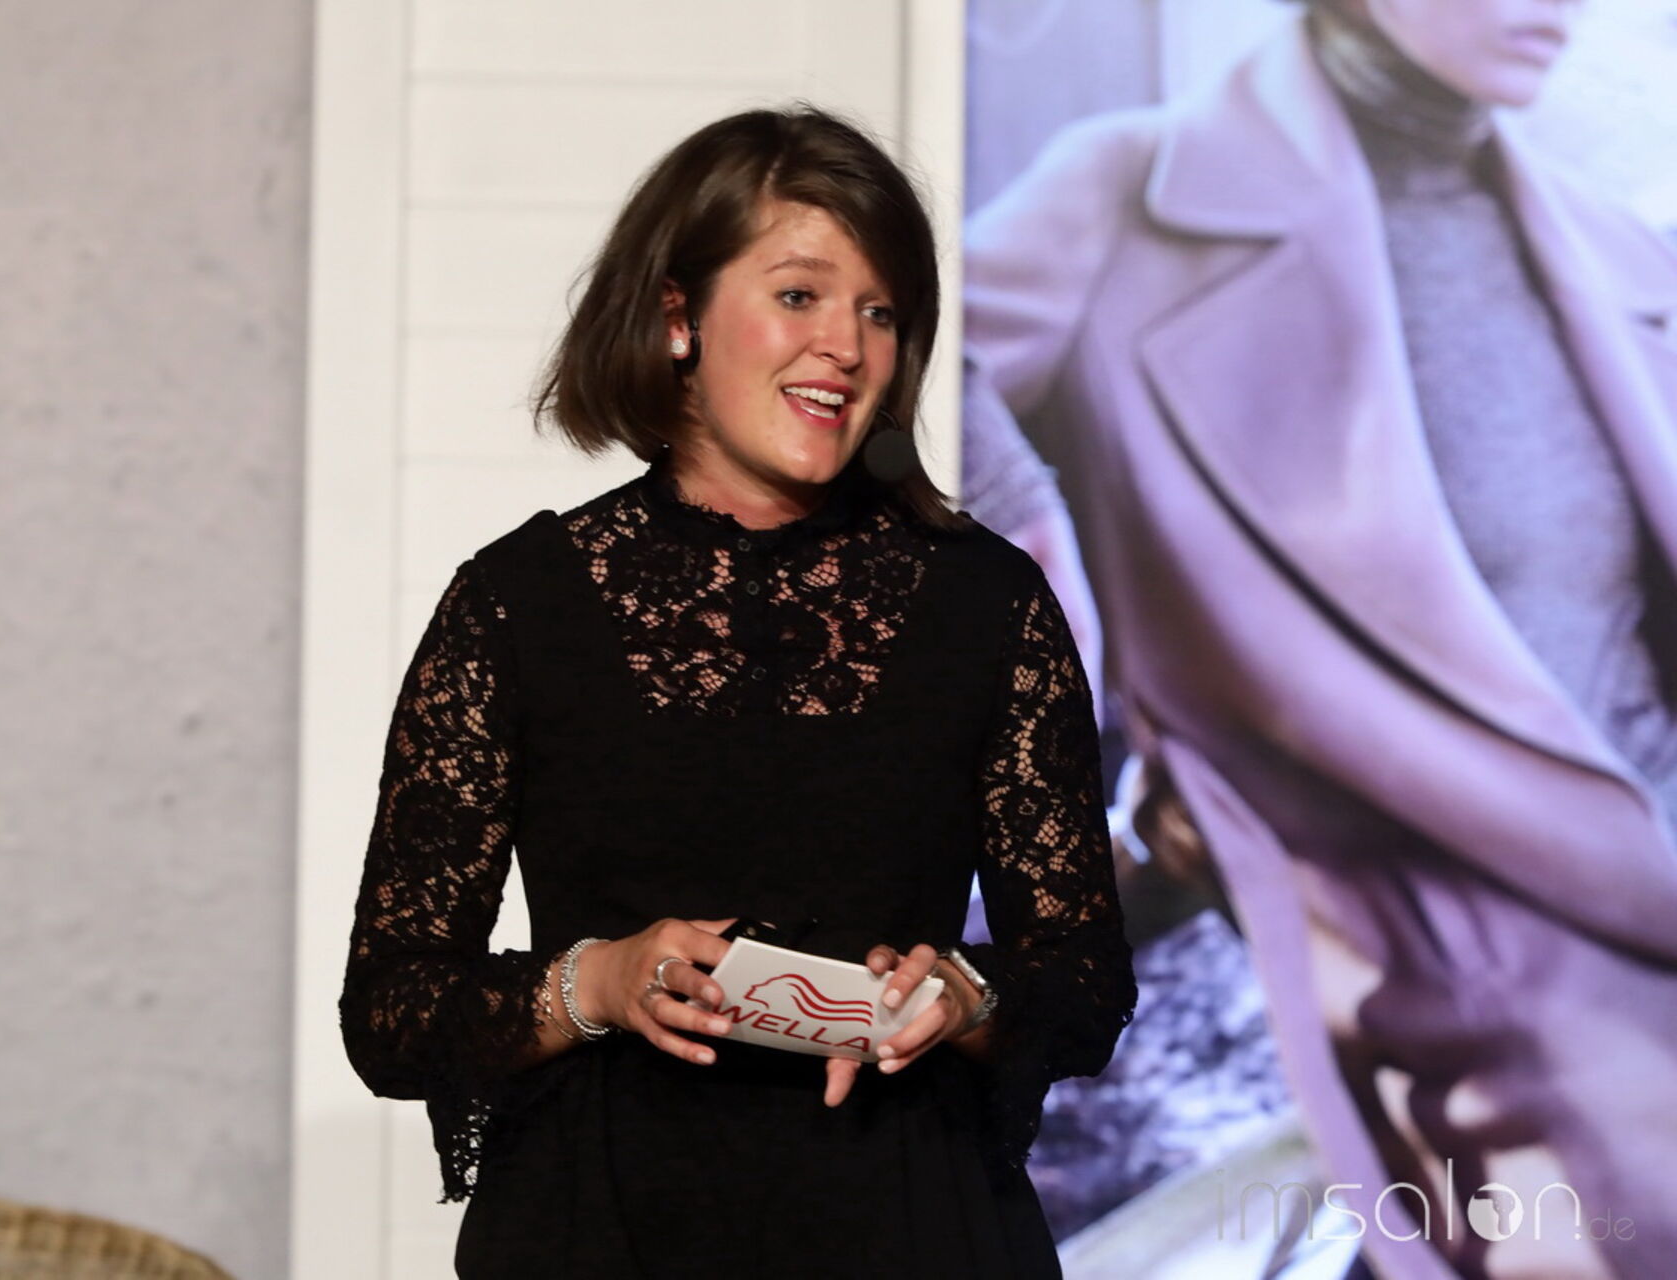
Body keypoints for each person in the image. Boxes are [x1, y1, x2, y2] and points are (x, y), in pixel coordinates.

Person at [339, 106, 1136, 1278]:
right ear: (678, 317)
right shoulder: (517, 603)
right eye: (800, 295)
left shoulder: (990, 603)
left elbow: (1083, 979)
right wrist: (597, 982)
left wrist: (965, 993)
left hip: (916, 1229)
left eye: (880, 311)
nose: (846, 346)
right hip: (598, 1236)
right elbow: (393, 1009)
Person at [963, 1, 1677, 1277]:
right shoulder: (1134, 197)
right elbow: (886, 361)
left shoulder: (1619, 252)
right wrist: (1034, 540)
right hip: (1448, 974)